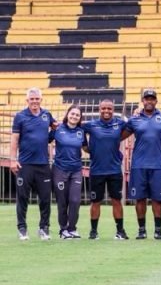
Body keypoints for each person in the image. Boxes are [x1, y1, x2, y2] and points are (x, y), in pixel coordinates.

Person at [122, 89, 161, 240]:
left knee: (158, 199)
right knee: (140, 198)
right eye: (146, 99)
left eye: (152, 99)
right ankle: (141, 230)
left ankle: (158, 230)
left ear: (156, 101)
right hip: (139, 165)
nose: (149, 101)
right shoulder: (134, 119)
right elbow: (119, 136)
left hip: (158, 165)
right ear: (142, 101)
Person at [11, 87, 56, 240]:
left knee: (45, 199)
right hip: (25, 164)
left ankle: (44, 228)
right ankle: (22, 228)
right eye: (32, 99)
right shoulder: (20, 116)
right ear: (27, 100)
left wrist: (54, 131)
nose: (34, 101)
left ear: (41, 100)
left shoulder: (47, 115)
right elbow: (14, 139)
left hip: (43, 164)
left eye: (37, 98)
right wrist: (13, 160)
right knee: (22, 197)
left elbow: (54, 128)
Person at [83, 99, 129, 240]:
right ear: (99, 109)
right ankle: (93, 231)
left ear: (113, 110)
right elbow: (77, 129)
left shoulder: (119, 123)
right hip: (97, 171)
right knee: (95, 202)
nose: (106, 111)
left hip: (114, 170)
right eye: (103, 108)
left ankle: (120, 231)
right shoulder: (91, 125)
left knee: (116, 201)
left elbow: (132, 127)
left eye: (109, 108)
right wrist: (86, 147)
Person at [51, 106, 86, 239]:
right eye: (72, 114)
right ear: (67, 114)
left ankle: (72, 228)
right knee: (62, 201)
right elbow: (45, 140)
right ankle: (63, 230)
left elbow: (86, 147)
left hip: (76, 170)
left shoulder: (81, 132)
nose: (74, 116)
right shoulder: (58, 129)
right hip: (60, 169)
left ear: (80, 118)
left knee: (75, 200)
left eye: (77, 115)